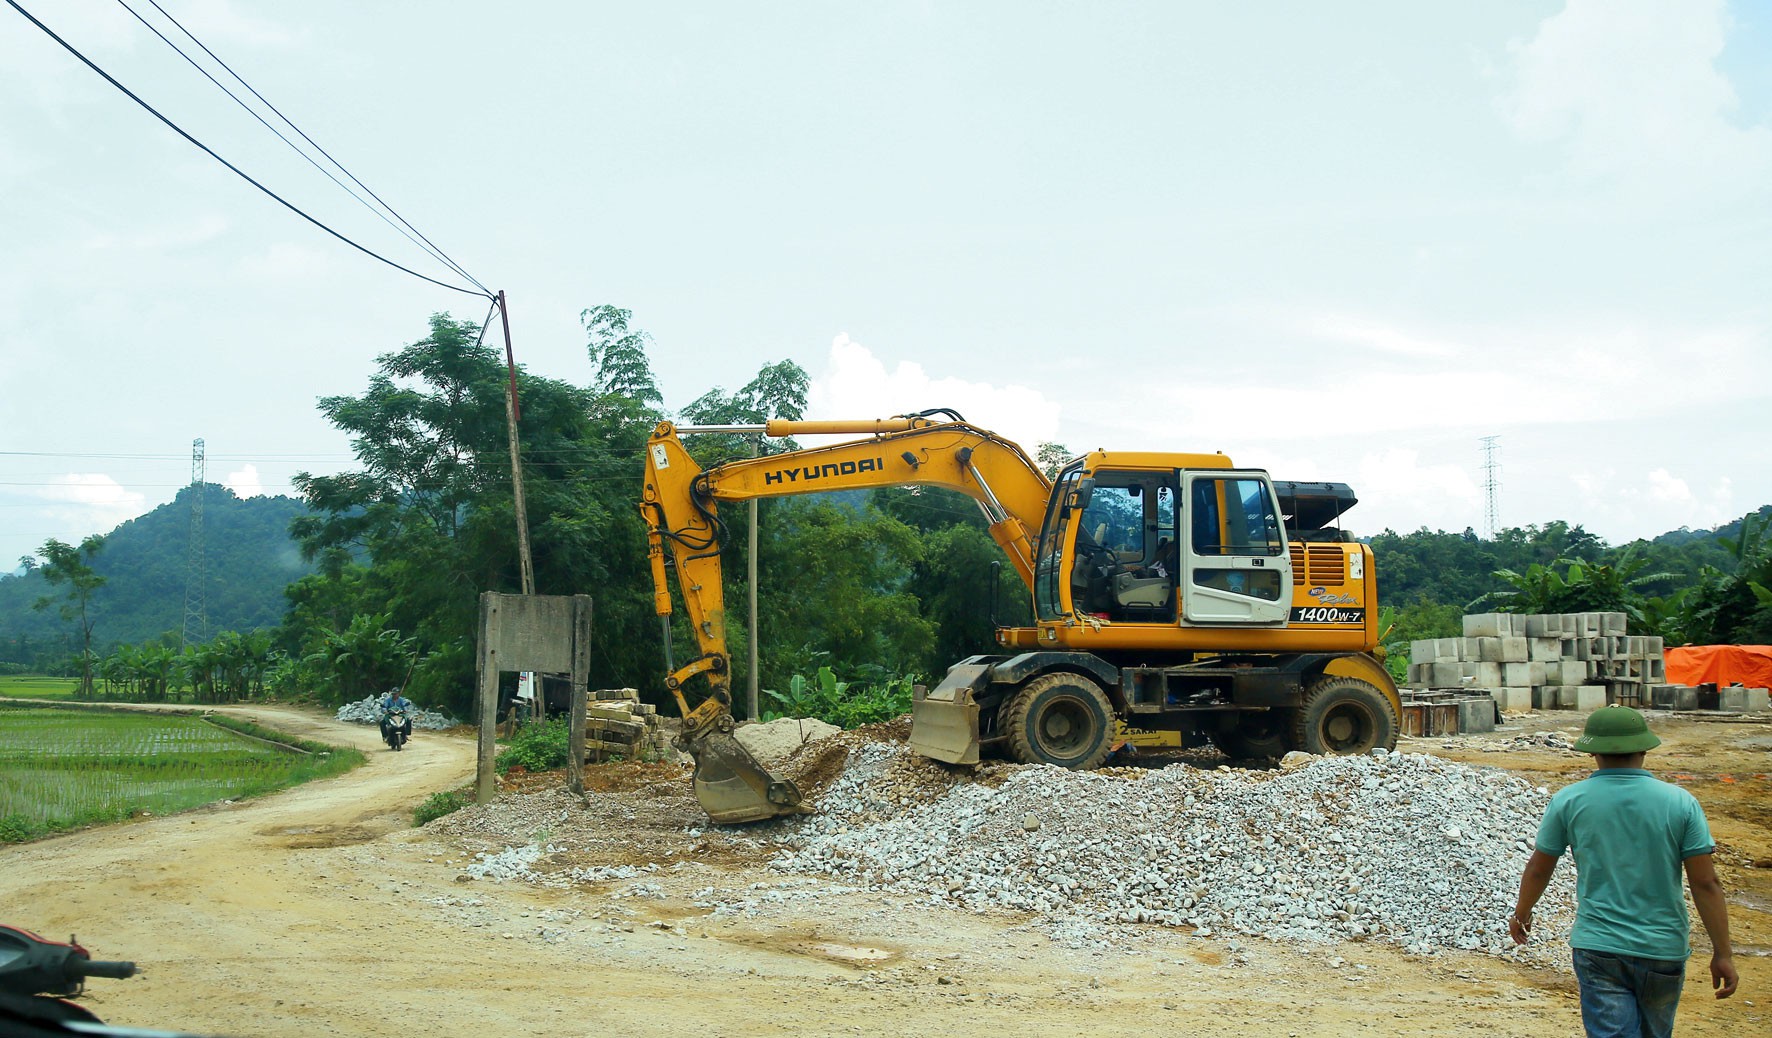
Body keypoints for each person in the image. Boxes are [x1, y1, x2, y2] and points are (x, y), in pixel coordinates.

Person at [1510, 706, 1737, 1038]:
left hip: (1599, 947)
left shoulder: (1569, 801)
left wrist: (1522, 912)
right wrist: (1722, 952)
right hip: (1662, 949)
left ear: (1593, 752)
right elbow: (1706, 883)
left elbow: (1539, 868)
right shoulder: (1681, 803)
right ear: (1644, 749)